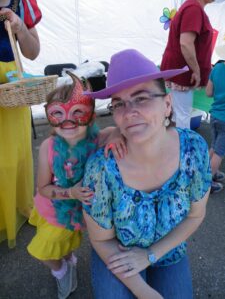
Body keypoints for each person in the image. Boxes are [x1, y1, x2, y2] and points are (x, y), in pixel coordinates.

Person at [82, 49, 212, 299]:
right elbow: (101, 240)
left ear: (167, 104)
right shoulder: (101, 168)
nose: (128, 111)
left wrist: (150, 254)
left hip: (169, 249)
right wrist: (143, 292)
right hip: (117, 251)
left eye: (141, 98)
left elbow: (196, 215)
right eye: (119, 103)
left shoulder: (193, 150)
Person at [27, 72, 126, 299]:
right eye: (58, 114)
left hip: (74, 216)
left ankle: (66, 262)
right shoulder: (48, 147)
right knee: (46, 250)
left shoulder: (98, 139)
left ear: (91, 115)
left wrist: (117, 135)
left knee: (54, 246)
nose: (67, 122)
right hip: (50, 207)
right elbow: (43, 188)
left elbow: (117, 129)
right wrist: (70, 192)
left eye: (78, 112)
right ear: (49, 116)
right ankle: (62, 269)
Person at [0, 0, 41, 248]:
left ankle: (11, 211)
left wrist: (20, 29)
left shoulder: (23, 2)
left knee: (12, 157)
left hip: (13, 89)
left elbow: (33, 52)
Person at [160, 0, 215, 129]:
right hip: (183, 72)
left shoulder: (193, 7)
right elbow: (185, 43)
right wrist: (196, 70)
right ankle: (183, 148)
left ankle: (174, 144)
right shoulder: (193, 9)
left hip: (181, 70)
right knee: (182, 116)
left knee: (177, 114)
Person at [205, 41, 225, 194]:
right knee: (219, 151)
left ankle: (209, 171)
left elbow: (209, 93)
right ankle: (207, 183)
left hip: (215, 115)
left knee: (214, 146)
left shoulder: (216, 68)